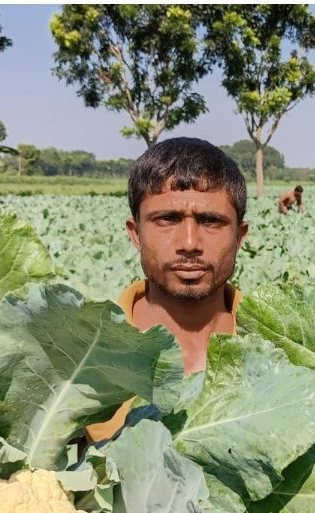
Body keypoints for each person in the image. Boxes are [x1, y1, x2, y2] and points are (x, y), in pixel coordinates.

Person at [83, 137, 249, 443]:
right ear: (136, 234)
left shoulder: (282, 347)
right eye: (167, 219)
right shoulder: (81, 353)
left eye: (210, 221)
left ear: (239, 236)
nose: (189, 243)